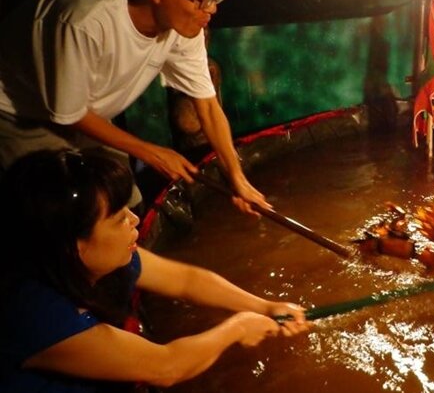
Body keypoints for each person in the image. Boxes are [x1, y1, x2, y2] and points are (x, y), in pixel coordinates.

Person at [0, 148, 310, 392]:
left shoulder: (103, 258)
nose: (134, 221)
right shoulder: (33, 312)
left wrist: (266, 306)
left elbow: (187, 280)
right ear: (73, 245)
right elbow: (165, 367)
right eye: (119, 219)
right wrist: (238, 328)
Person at [0, 0, 267, 216]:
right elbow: (68, 113)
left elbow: (208, 108)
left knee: (125, 201)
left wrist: (237, 177)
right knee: (70, 215)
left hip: (86, 113)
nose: (211, 9)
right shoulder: (87, 21)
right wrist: (152, 153)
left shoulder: (184, 27)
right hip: (20, 115)